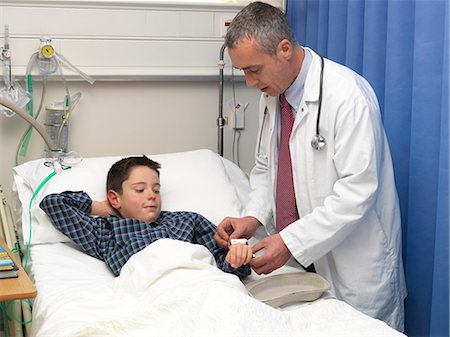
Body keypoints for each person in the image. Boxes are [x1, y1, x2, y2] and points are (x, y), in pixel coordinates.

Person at [214, 1, 406, 331]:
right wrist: (253, 216)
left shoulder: (347, 96)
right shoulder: (272, 96)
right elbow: (264, 166)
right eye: (243, 71)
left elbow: (356, 193)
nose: (249, 82)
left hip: (352, 266)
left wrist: (290, 242)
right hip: (301, 266)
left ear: (284, 49)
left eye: (254, 69)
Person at [40, 155, 252, 279]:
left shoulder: (188, 221)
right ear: (115, 198)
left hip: (200, 282)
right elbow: (54, 204)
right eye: (140, 190)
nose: (151, 195)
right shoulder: (105, 231)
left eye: (156, 190)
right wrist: (103, 207)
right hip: (150, 292)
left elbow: (226, 269)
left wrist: (237, 259)